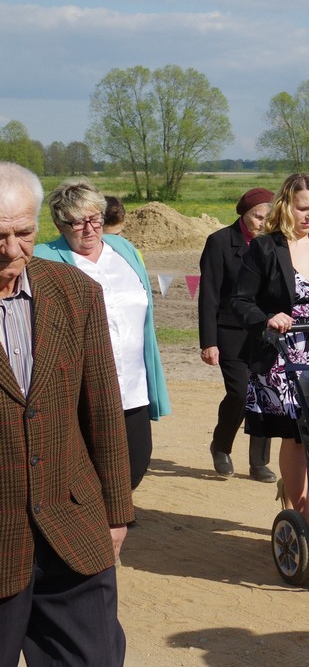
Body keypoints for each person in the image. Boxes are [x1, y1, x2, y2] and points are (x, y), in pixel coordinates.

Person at [0, 162, 132, 666]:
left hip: (73, 527)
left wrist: (116, 514)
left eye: (24, 233)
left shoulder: (76, 293)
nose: (12, 251)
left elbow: (102, 408)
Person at [231, 173, 309, 532]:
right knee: (298, 436)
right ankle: (302, 518)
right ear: (287, 206)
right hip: (282, 358)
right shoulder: (266, 248)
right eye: (304, 208)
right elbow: (240, 301)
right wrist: (269, 317)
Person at [33, 178, 172, 490]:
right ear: (59, 223)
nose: (90, 229)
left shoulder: (124, 250)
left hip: (132, 386)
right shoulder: (42, 259)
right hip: (79, 392)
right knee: (85, 478)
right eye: (78, 222)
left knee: (135, 467)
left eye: (95, 219)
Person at [199, 186, 277, 481]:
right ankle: (221, 446)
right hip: (230, 332)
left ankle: (258, 463)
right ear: (243, 214)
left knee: (266, 395)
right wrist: (208, 342)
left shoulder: (274, 243)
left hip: (266, 332)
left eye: (268, 218)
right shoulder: (219, 242)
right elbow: (208, 295)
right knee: (241, 393)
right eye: (258, 217)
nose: (263, 223)